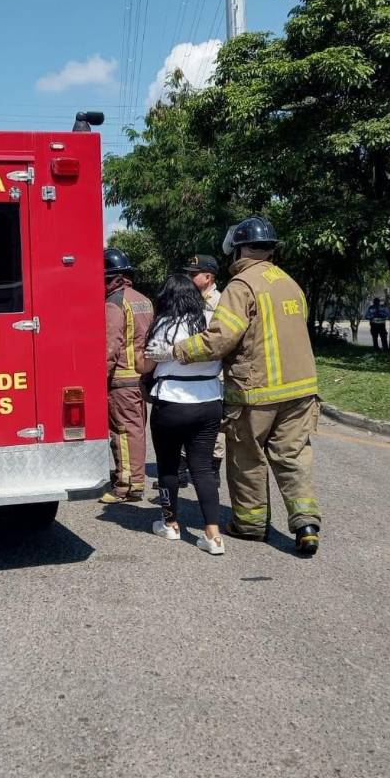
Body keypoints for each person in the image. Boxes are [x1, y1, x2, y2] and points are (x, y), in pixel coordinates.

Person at [150, 216, 322, 556]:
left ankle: (250, 524)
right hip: (302, 389)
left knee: (247, 457)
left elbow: (220, 339)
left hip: (257, 390)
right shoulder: (290, 283)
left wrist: (175, 351)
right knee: (293, 456)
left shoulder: (241, 286)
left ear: (240, 249)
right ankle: (306, 525)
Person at [141, 274, 225, 554]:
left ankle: (170, 524)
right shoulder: (211, 321)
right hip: (209, 401)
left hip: (171, 403)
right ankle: (213, 535)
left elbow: (145, 366)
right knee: (202, 467)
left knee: (168, 466)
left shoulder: (164, 324)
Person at [102, 247, 154, 503]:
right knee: (135, 431)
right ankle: (136, 479)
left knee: (122, 432)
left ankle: (126, 486)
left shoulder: (114, 303)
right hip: (141, 377)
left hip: (121, 379)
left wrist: (99, 378)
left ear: (110, 278)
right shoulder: (143, 299)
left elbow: (110, 346)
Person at [182, 253, 226, 470]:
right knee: (186, 414)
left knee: (214, 424)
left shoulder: (221, 302)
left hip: (215, 371)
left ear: (208, 277)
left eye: (194, 274)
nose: (190, 278)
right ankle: (182, 465)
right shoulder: (189, 300)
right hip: (191, 367)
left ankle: (213, 467)